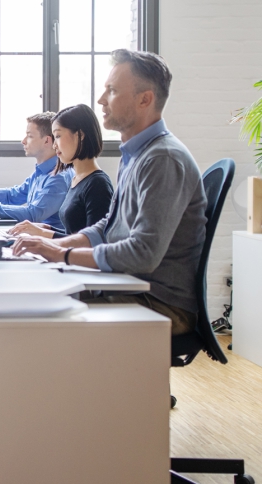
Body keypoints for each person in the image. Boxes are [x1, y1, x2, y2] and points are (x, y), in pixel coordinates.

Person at [12, 49, 206, 336]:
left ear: (145, 99)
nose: (101, 100)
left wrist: (62, 255)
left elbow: (143, 253)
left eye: (112, 91)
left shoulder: (162, 159)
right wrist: (59, 247)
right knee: (29, 299)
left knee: (37, 318)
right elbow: (109, 226)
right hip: (131, 285)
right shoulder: (136, 154)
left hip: (160, 303)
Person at [8, 104, 114, 238]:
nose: (54, 145)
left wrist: (44, 233)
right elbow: (75, 233)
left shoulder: (98, 185)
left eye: (57, 136)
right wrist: (44, 229)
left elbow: (94, 243)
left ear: (80, 135)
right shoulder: (77, 179)